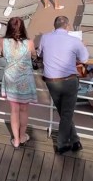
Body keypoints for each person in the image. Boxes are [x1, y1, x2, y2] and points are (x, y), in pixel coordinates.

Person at [38, 16, 90, 155]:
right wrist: (82, 46)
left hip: (51, 81)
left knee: (64, 112)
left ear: (54, 26)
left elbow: (40, 54)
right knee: (66, 113)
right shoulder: (75, 41)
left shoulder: (45, 38)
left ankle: (75, 140)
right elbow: (84, 59)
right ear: (67, 26)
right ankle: (62, 144)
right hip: (69, 81)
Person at [0, 17, 37, 149]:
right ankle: (22, 136)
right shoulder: (29, 43)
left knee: (14, 110)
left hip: (11, 77)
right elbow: (34, 55)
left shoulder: (3, 41)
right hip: (25, 78)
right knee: (24, 109)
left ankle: (15, 140)